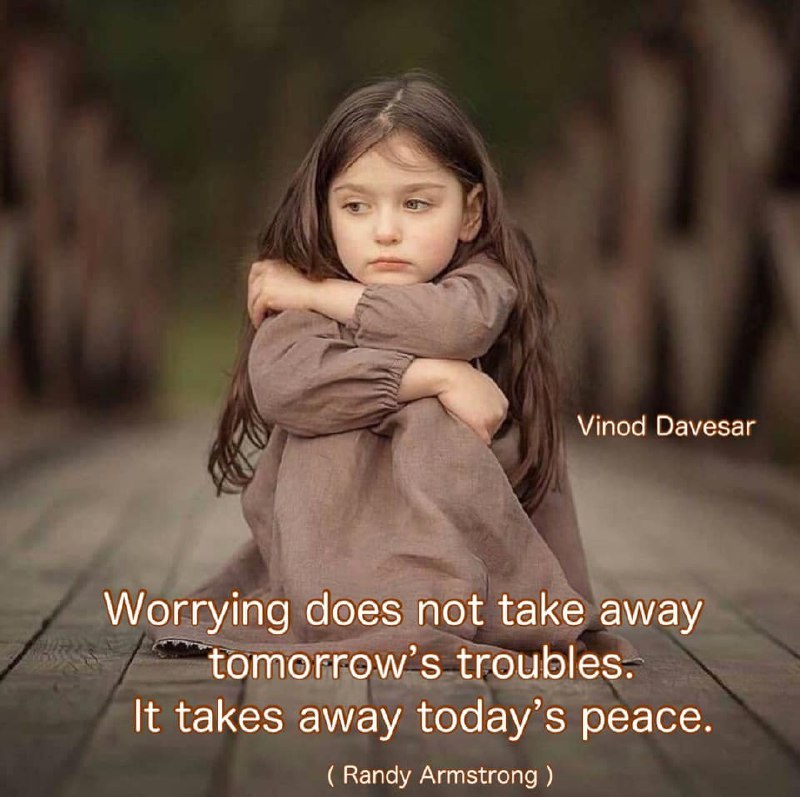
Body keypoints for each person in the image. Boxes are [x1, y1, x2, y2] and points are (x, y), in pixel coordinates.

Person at [145, 70, 643, 668]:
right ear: (326, 211)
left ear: (470, 213)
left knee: (498, 432)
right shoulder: (299, 314)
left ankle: (512, 611)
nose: (385, 231)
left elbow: (451, 327)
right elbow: (283, 385)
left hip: (467, 557)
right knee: (407, 408)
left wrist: (325, 295)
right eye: (356, 206)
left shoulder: (482, 286)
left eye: (416, 203)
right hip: (336, 560)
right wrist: (436, 378)